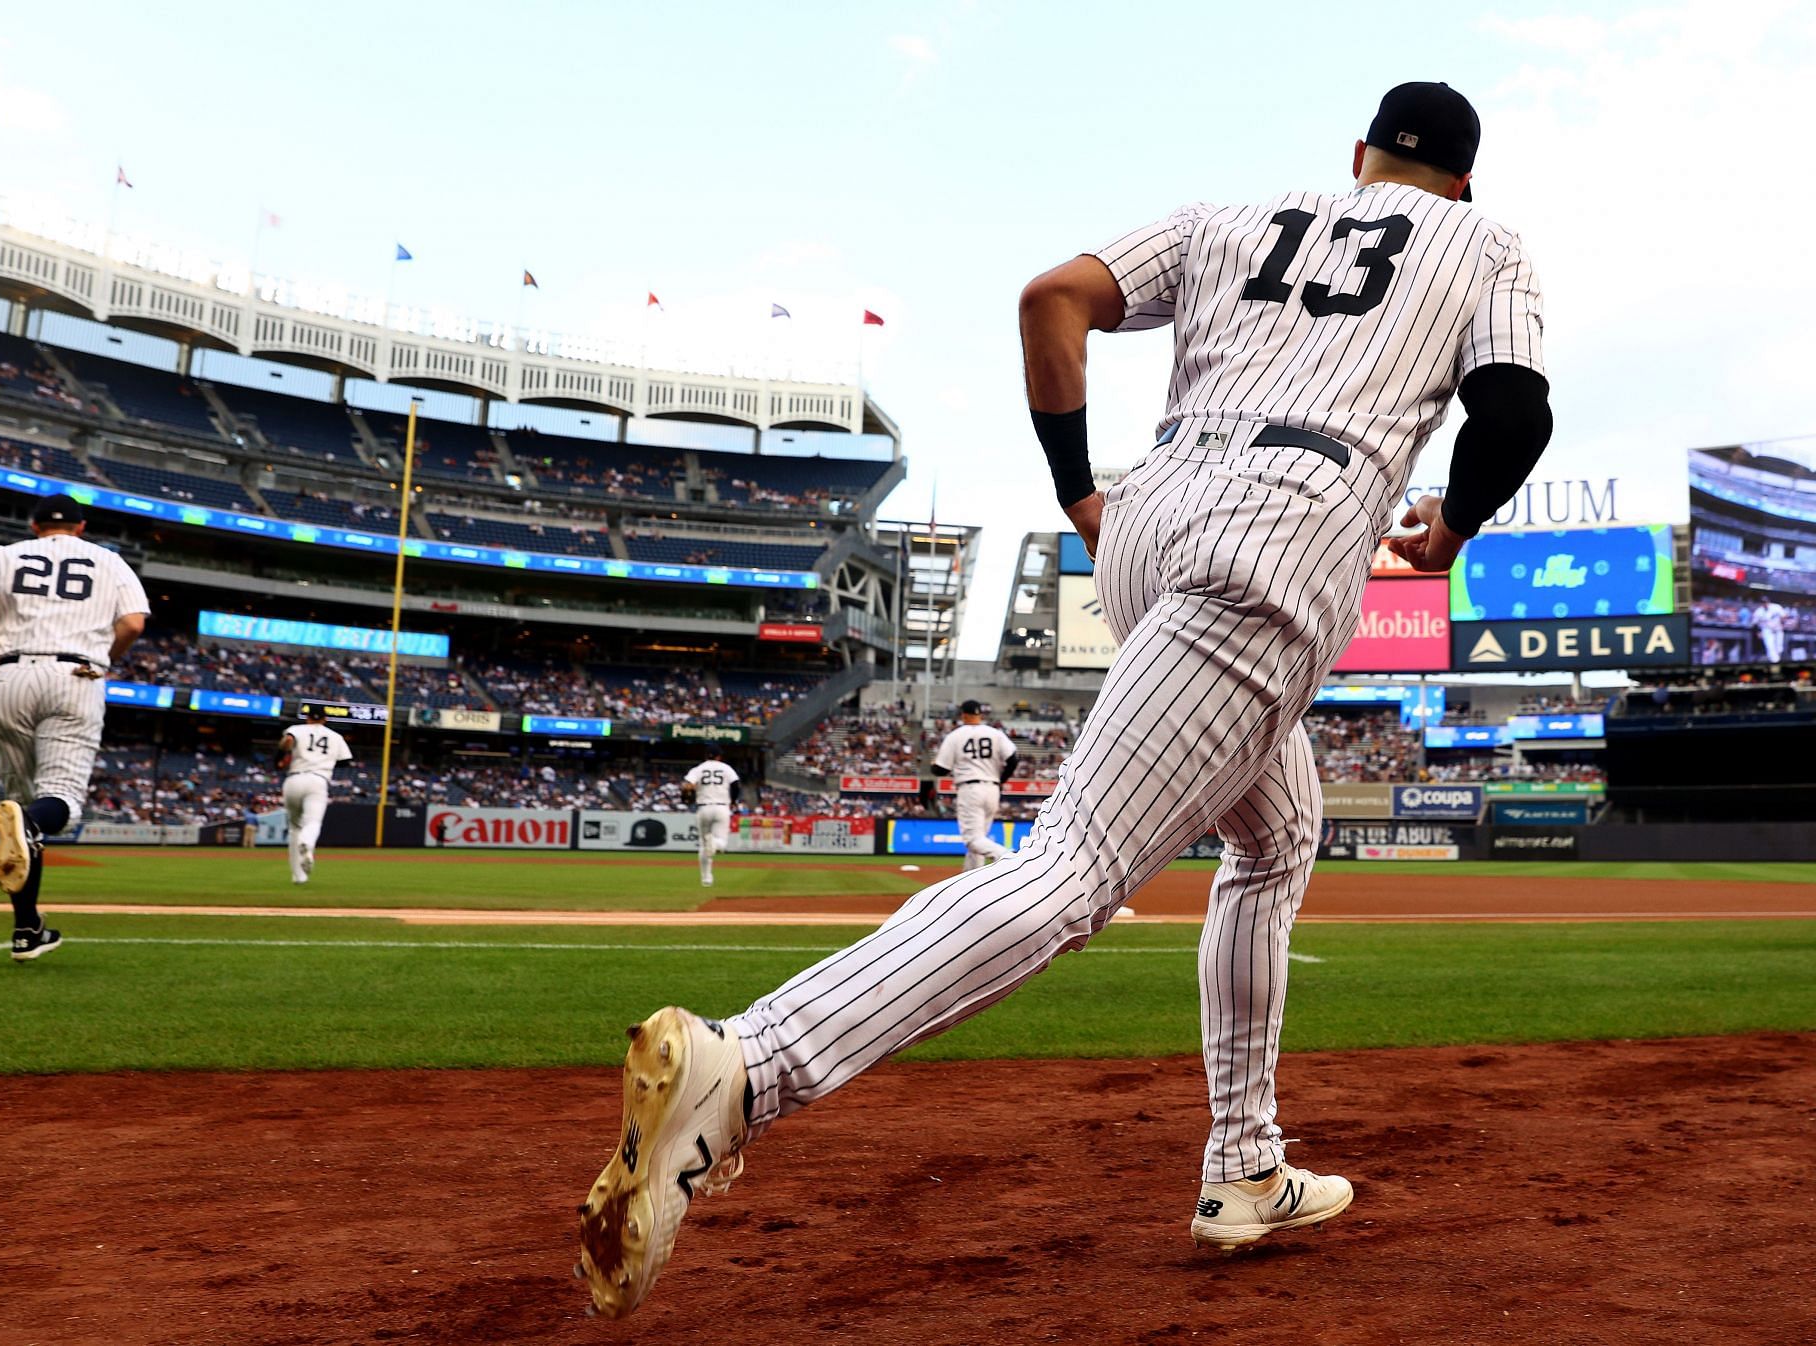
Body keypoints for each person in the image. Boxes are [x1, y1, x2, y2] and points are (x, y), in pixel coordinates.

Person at [575, 81, 1554, 1317]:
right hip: (1292, 526)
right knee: (1076, 863)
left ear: (1356, 156)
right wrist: (1455, 523)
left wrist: (1079, 487)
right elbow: (1514, 409)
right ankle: (749, 1066)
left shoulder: (1231, 217)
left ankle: (1244, 1165)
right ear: (1463, 180)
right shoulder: (1487, 238)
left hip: (1154, 514)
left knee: (1277, 827)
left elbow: (1053, 299)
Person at [0, 494, 149, 962]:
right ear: (80, 527)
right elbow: (134, 624)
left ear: (34, 525)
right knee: (57, 803)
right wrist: (103, 661)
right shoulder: (109, 560)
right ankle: (34, 825)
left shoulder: (3, 554)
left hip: (6, 675)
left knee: (18, 807)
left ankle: (27, 929)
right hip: (76, 675)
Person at [930, 700, 1019, 869]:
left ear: (963, 715)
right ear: (980, 715)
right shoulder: (995, 733)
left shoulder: (956, 735)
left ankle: (1008, 856)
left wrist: (932, 765)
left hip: (970, 789)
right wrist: (1002, 780)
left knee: (973, 840)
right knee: (979, 842)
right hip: (992, 789)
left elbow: (940, 769)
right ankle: (971, 884)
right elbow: (1013, 759)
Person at [279, 707, 352, 884]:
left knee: (294, 827)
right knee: (312, 822)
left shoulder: (296, 729)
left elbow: (286, 742)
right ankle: (307, 843)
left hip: (294, 780)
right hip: (318, 780)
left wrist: (286, 752)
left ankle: (299, 876)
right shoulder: (335, 736)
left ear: (307, 717)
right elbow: (346, 761)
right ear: (325, 719)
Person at [680, 749, 740, 886]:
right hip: (722, 807)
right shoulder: (726, 768)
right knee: (722, 844)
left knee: (703, 846)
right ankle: (714, 844)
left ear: (706, 756)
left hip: (704, 808)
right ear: (719, 756)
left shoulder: (698, 769)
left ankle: (706, 879)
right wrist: (734, 801)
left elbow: (687, 786)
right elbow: (736, 786)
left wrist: (685, 799)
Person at [1754, 597, 1788, 665]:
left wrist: (1782, 623)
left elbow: (1784, 616)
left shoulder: (1776, 607)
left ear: (1769, 601)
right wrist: (1758, 632)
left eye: (1766, 602)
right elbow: (1755, 623)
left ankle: (1773, 660)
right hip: (1767, 630)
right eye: (1763, 602)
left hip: (1778, 629)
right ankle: (1775, 663)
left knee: (1779, 648)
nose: (1765, 603)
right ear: (1761, 603)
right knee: (1770, 647)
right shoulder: (1758, 611)